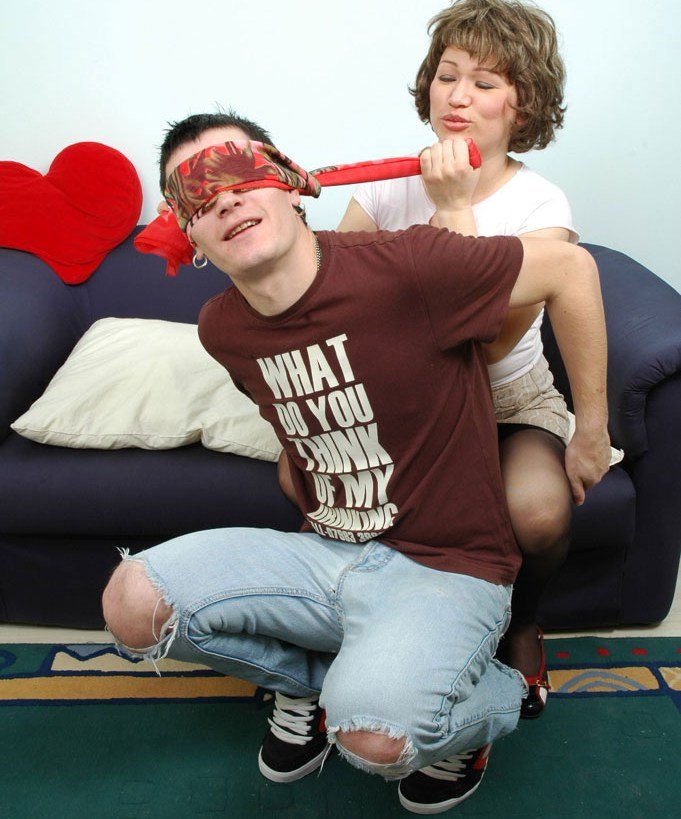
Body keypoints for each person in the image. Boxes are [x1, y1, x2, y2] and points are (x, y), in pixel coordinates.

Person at [102, 111, 610, 814]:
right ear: (188, 233)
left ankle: (490, 694)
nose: (224, 198)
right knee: (131, 604)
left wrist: (592, 430)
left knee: (372, 738)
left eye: (239, 171)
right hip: (327, 555)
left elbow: (571, 269)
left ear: (290, 184)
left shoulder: (409, 265)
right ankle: (311, 680)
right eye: (195, 194)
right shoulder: (223, 329)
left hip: (446, 567)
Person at [336, 0, 590, 719]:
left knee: (537, 512)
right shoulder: (384, 185)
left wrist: (453, 211)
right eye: (447, 75)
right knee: (300, 478)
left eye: (484, 82)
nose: (457, 96)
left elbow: (485, 342)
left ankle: (521, 623)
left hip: (504, 402)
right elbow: (336, 301)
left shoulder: (541, 205)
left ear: (522, 103)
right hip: (400, 404)